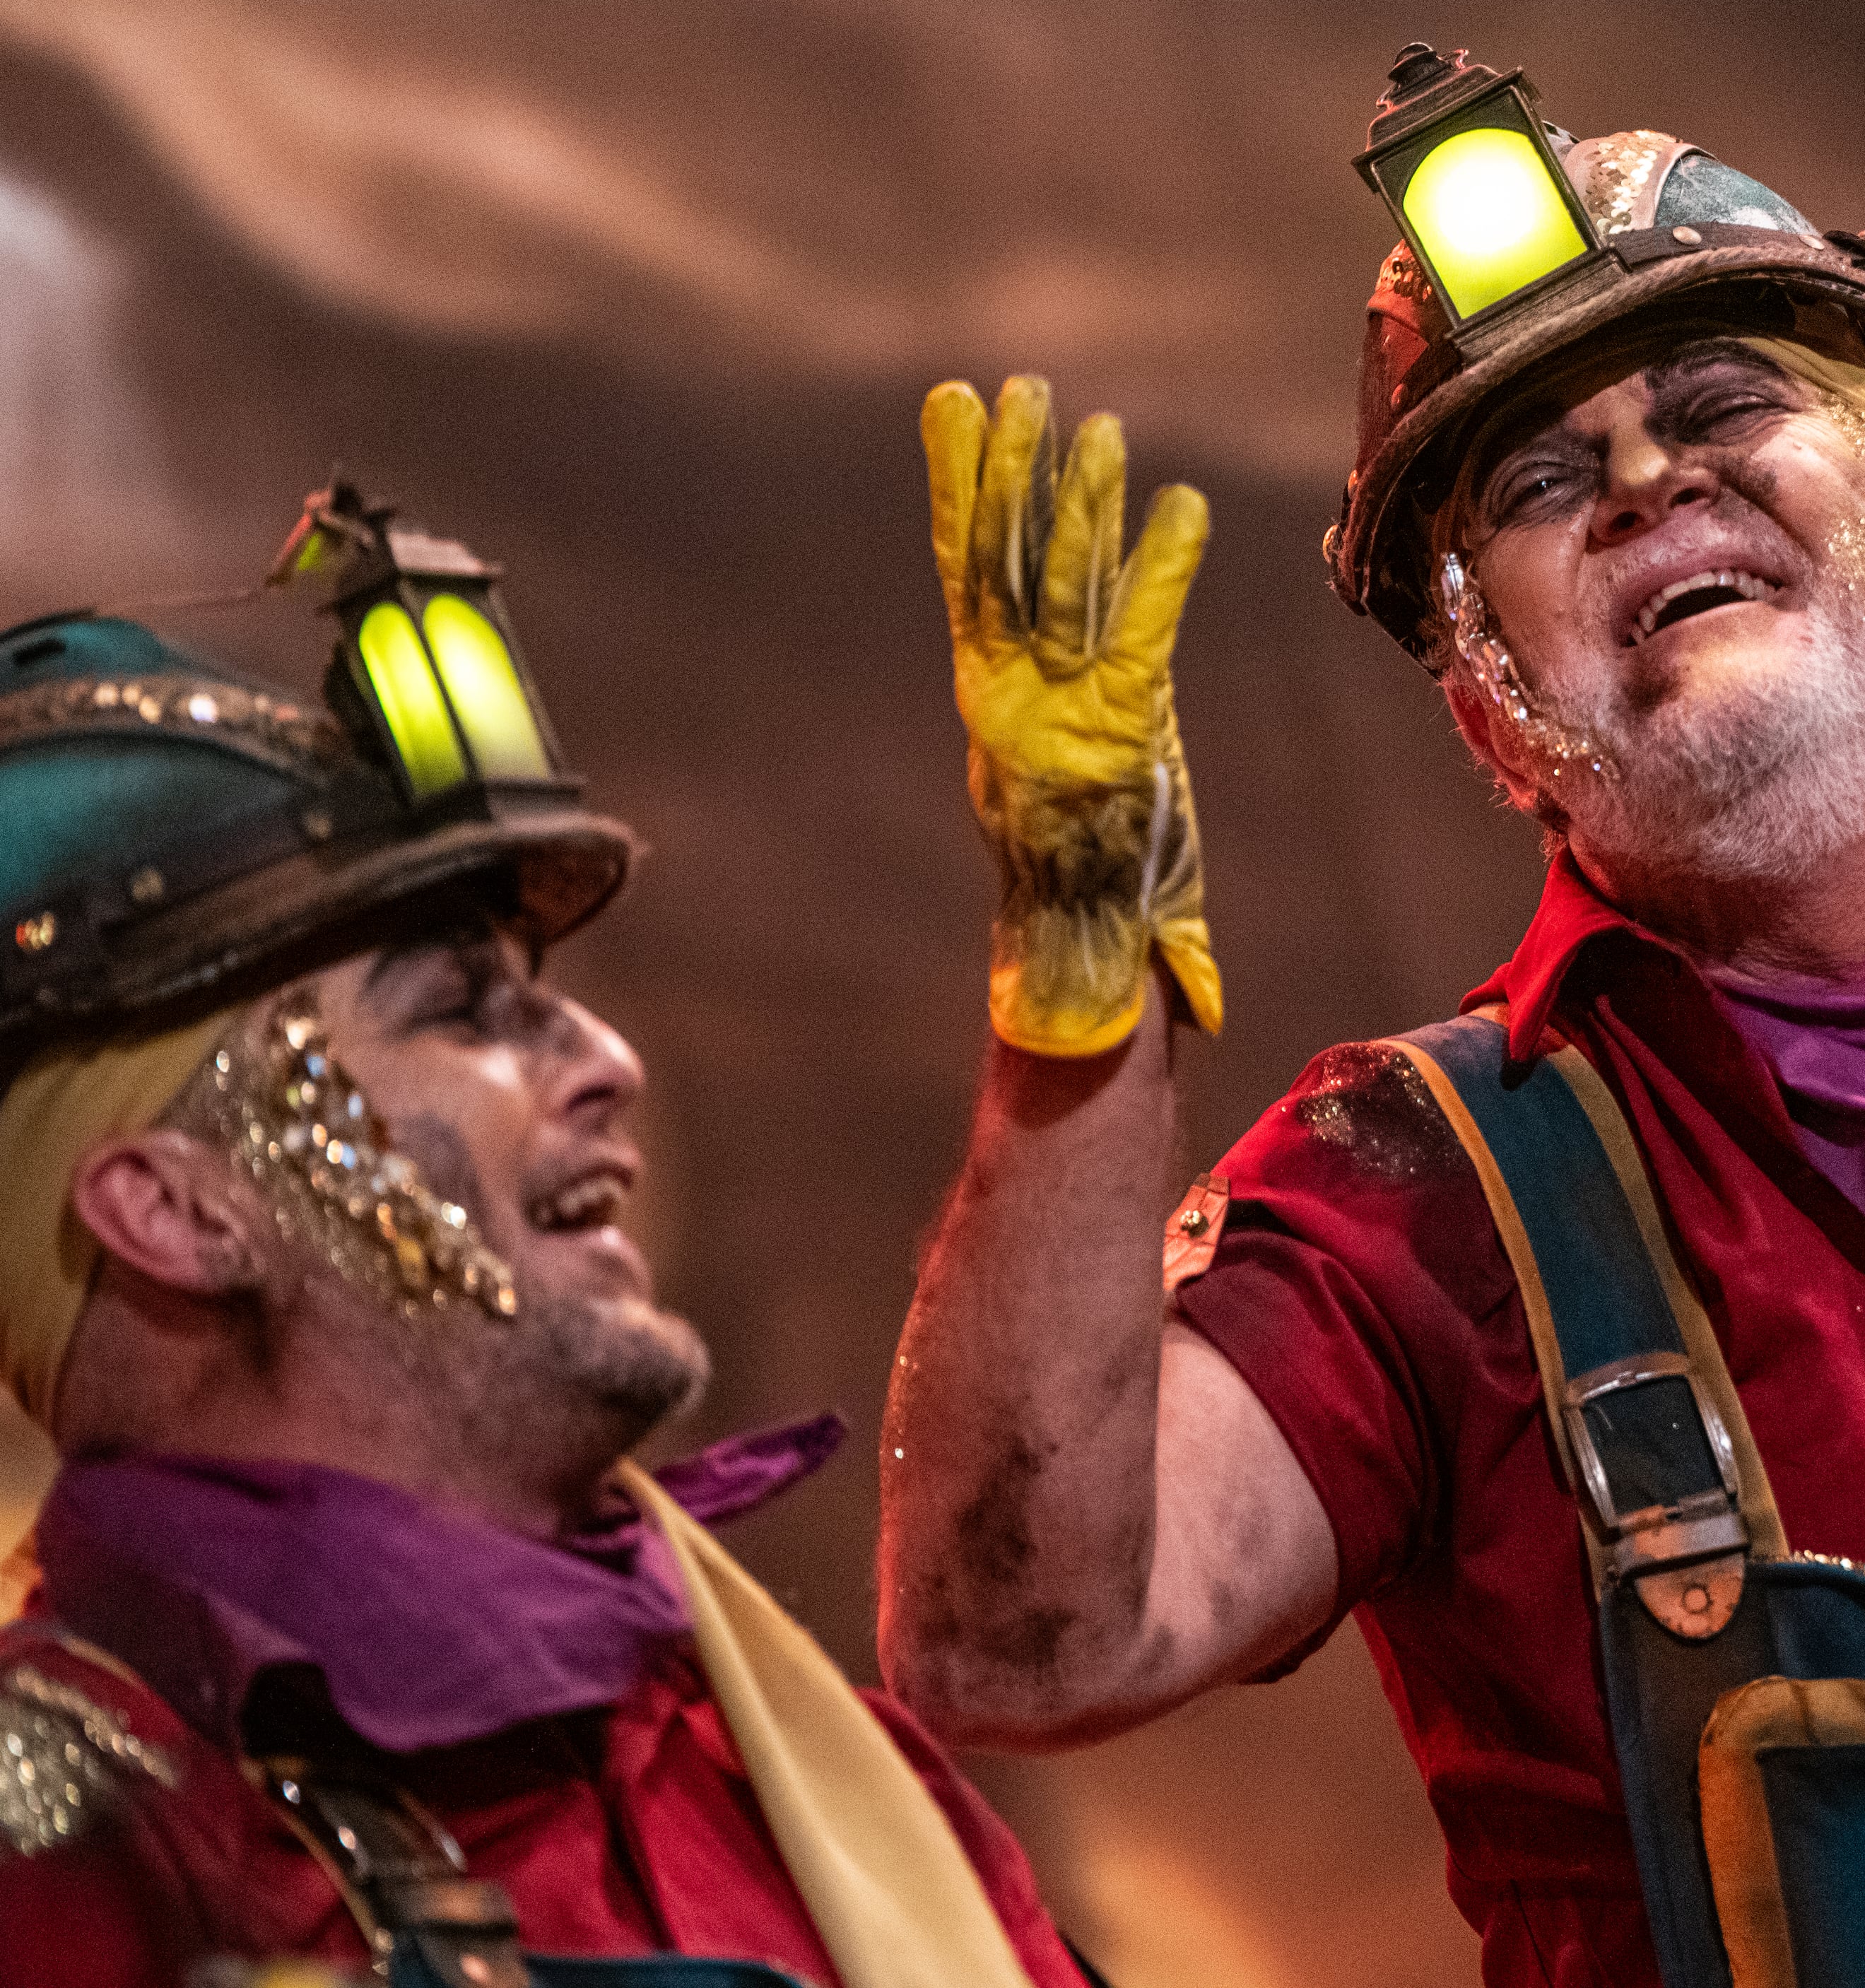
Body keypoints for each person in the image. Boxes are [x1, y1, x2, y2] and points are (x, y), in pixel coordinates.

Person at [873, 49, 1865, 1988]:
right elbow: (1019, 1633)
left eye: (1727, 404)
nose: (1652, 477)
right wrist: (1074, 1015)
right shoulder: (1424, 1204)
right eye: (1548, 481)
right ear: (1490, 719)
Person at [0, 483, 1088, 1988]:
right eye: (460, 1006)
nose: (605, 1055)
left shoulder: (808, 1767)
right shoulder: (71, 1861)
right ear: (175, 1210)